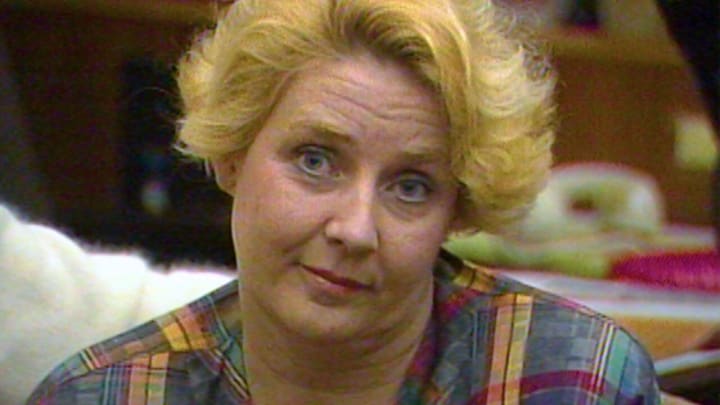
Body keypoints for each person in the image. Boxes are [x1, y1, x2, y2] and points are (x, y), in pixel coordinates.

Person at [27, 0, 660, 403]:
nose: (355, 230)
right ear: (232, 154)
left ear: (458, 210)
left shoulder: (570, 380)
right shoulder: (107, 394)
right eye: (315, 161)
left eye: (410, 187)